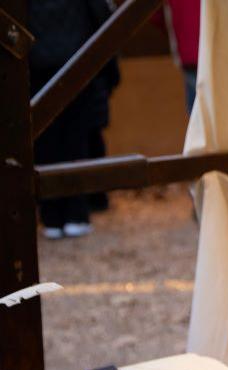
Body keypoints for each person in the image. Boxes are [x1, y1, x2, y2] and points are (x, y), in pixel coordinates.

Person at [28, 0, 118, 240]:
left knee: (44, 141)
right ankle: (76, 214)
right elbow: (99, 13)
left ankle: (51, 217)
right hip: (76, 62)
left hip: (38, 65)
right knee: (76, 140)